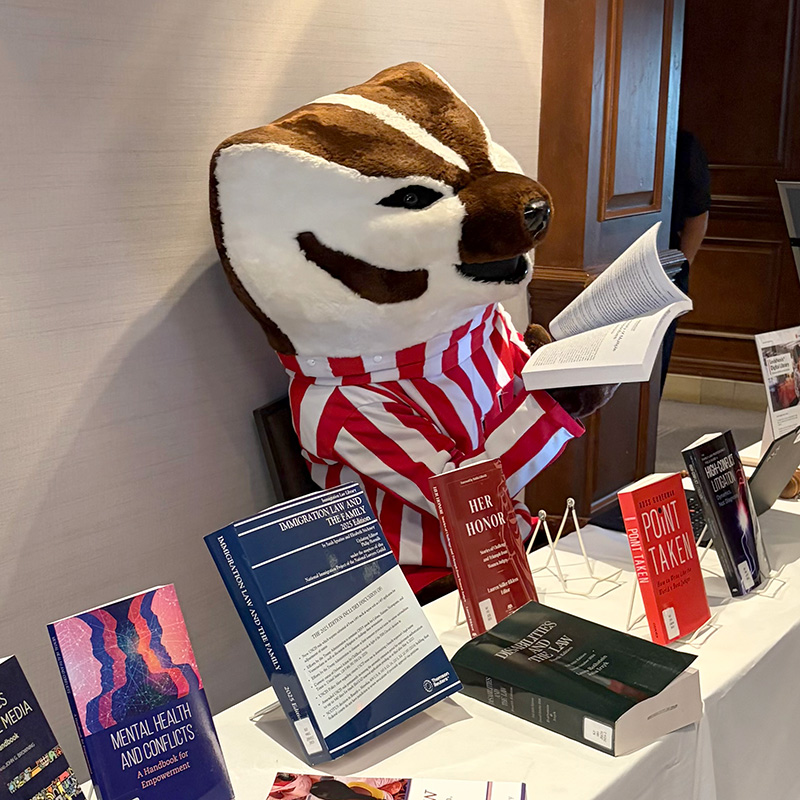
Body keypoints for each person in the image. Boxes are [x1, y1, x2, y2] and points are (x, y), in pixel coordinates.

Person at [661, 129, 711, 391]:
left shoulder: (683, 144)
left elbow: (698, 212)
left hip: (666, 268)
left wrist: (682, 267)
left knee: (657, 362)